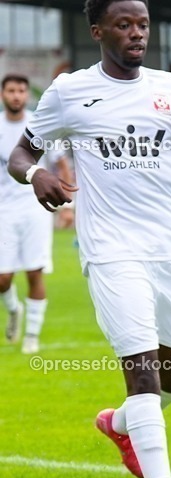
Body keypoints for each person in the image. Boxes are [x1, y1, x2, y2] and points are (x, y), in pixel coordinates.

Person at [7, 0, 171, 478]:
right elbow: (18, 154)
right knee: (142, 372)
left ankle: (120, 425)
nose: (136, 34)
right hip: (108, 250)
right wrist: (36, 173)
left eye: (143, 25)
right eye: (124, 25)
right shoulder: (69, 91)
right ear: (98, 30)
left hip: (169, 250)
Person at [0, 74, 73, 353]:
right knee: (3, 278)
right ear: (3, 95)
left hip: (36, 208)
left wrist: (67, 206)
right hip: (3, 211)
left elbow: (61, 165)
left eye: (20, 90)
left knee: (34, 273)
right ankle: (14, 309)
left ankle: (31, 336)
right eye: (11, 91)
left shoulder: (38, 124)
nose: (16, 95)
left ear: (26, 94)